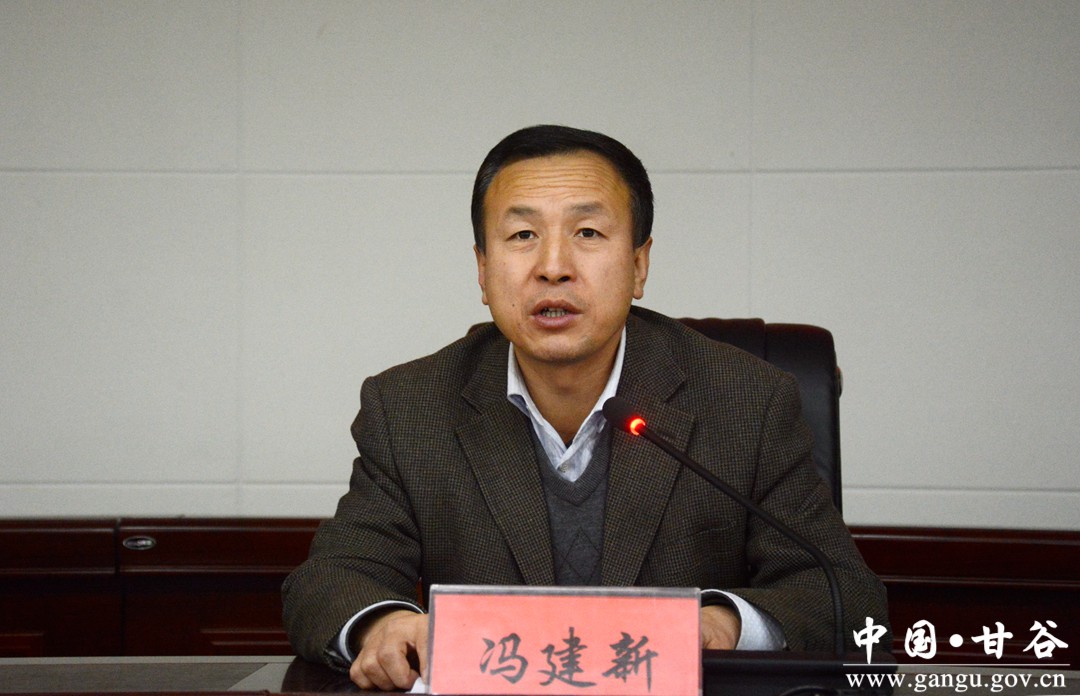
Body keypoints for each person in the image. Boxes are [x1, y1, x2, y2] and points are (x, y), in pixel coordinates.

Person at [282, 125, 890, 691]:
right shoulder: (410, 407)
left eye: (588, 233)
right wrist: (383, 623)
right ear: (483, 269)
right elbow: (332, 577)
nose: (553, 268)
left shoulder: (746, 401)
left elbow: (845, 596)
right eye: (523, 236)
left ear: (639, 265)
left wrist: (726, 623)